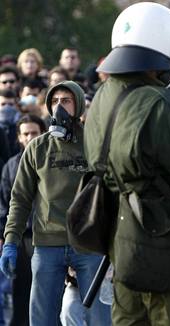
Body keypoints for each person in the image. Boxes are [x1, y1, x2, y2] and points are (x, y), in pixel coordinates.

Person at [84, 3, 170, 325]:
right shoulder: (161, 104)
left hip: (119, 232)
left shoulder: (103, 96)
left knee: (128, 315)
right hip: (160, 232)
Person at [0, 81, 111, 326]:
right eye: (55, 101)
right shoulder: (37, 148)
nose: (59, 106)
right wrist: (11, 240)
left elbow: (113, 192)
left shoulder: (96, 143)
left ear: (79, 105)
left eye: (66, 101)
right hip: (47, 244)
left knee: (101, 319)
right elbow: (19, 199)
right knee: (41, 319)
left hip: (90, 245)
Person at [0, 114, 46, 326]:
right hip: (23, 238)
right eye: (25, 134)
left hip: (51, 237)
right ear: (18, 137)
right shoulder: (11, 166)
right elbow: (5, 203)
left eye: (34, 133)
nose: (30, 138)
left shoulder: (53, 161)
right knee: (22, 293)